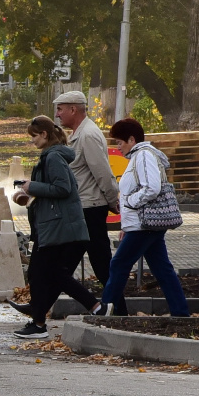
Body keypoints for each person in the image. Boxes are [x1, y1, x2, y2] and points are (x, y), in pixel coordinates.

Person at [8, 115, 102, 338]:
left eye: (34, 136)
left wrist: (33, 187)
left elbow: (63, 188)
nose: (32, 141)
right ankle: (38, 318)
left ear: (44, 135)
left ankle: (93, 307)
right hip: (51, 226)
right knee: (40, 272)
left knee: (50, 273)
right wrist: (28, 192)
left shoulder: (53, 158)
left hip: (59, 228)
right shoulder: (50, 156)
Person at [101, 118, 191, 317]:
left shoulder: (143, 156)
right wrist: (126, 222)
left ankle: (105, 310)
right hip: (143, 224)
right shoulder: (138, 156)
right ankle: (181, 312)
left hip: (144, 224)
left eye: (120, 142)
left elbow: (152, 187)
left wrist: (130, 202)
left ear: (131, 139)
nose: (118, 147)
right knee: (162, 269)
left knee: (119, 264)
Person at [53, 91, 120, 287]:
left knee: (100, 265)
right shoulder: (79, 133)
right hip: (83, 208)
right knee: (65, 265)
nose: (57, 114)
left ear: (73, 109)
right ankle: (40, 306)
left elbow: (103, 173)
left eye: (60, 109)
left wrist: (111, 201)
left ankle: (117, 309)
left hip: (90, 209)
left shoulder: (88, 135)